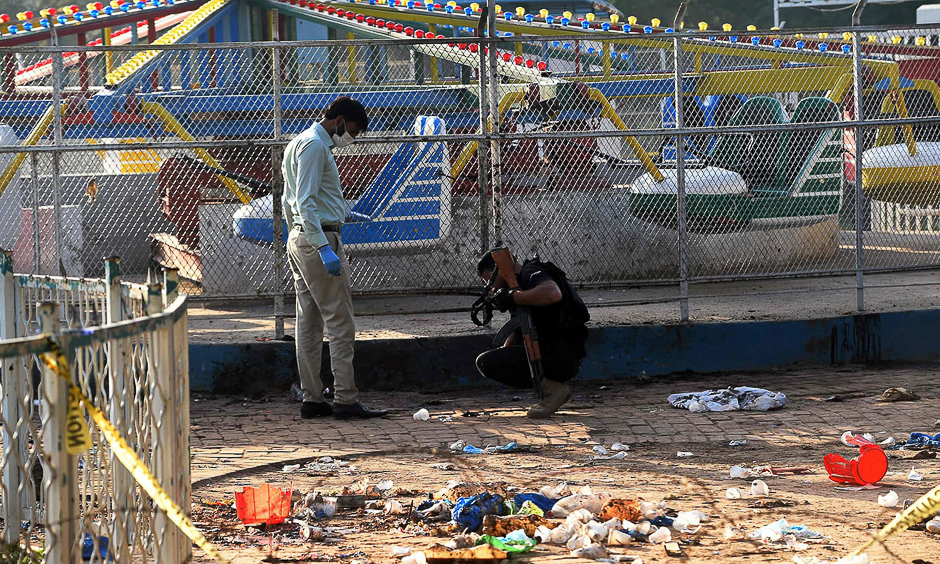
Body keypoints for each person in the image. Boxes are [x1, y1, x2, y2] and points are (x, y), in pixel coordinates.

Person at [283, 96, 388, 420]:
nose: (352, 138)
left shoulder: (298, 142)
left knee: (309, 323)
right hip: (319, 239)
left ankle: (313, 398)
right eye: (353, 130)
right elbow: (306, 199)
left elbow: (291, 203)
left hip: (300, 239)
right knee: (340, 322)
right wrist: (322, 246)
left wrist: (298, 237)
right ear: (339, 120)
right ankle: (345, 398)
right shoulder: (315, 146)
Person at [474, 251, 590, 418]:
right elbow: (517, 330)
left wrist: (513, 297)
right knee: (490, 361)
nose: (493, 288)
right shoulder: (519, 286)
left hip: (562, 353)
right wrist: (503, 357)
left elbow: (552, 293)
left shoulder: (531, 272)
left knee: (486, 361)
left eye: (490, 281)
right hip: (553, 350)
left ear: (499, 270)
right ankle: (548, 388)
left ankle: (552, 390)